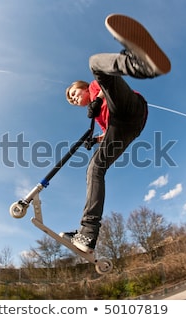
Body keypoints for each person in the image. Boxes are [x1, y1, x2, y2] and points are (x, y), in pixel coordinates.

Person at [60, 17, 170, 254]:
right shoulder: (97, 117)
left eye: (73, 93)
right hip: (123, 129)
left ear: (81, 87)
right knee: (94, 168)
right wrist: (96, 139)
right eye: (71, 100)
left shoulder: (94, 87)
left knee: (95, 63)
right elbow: (107, 131)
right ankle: (88, 234)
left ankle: (139, 63)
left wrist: (97, 99)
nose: (74, 99)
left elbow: (100, 89)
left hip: (129, 108)